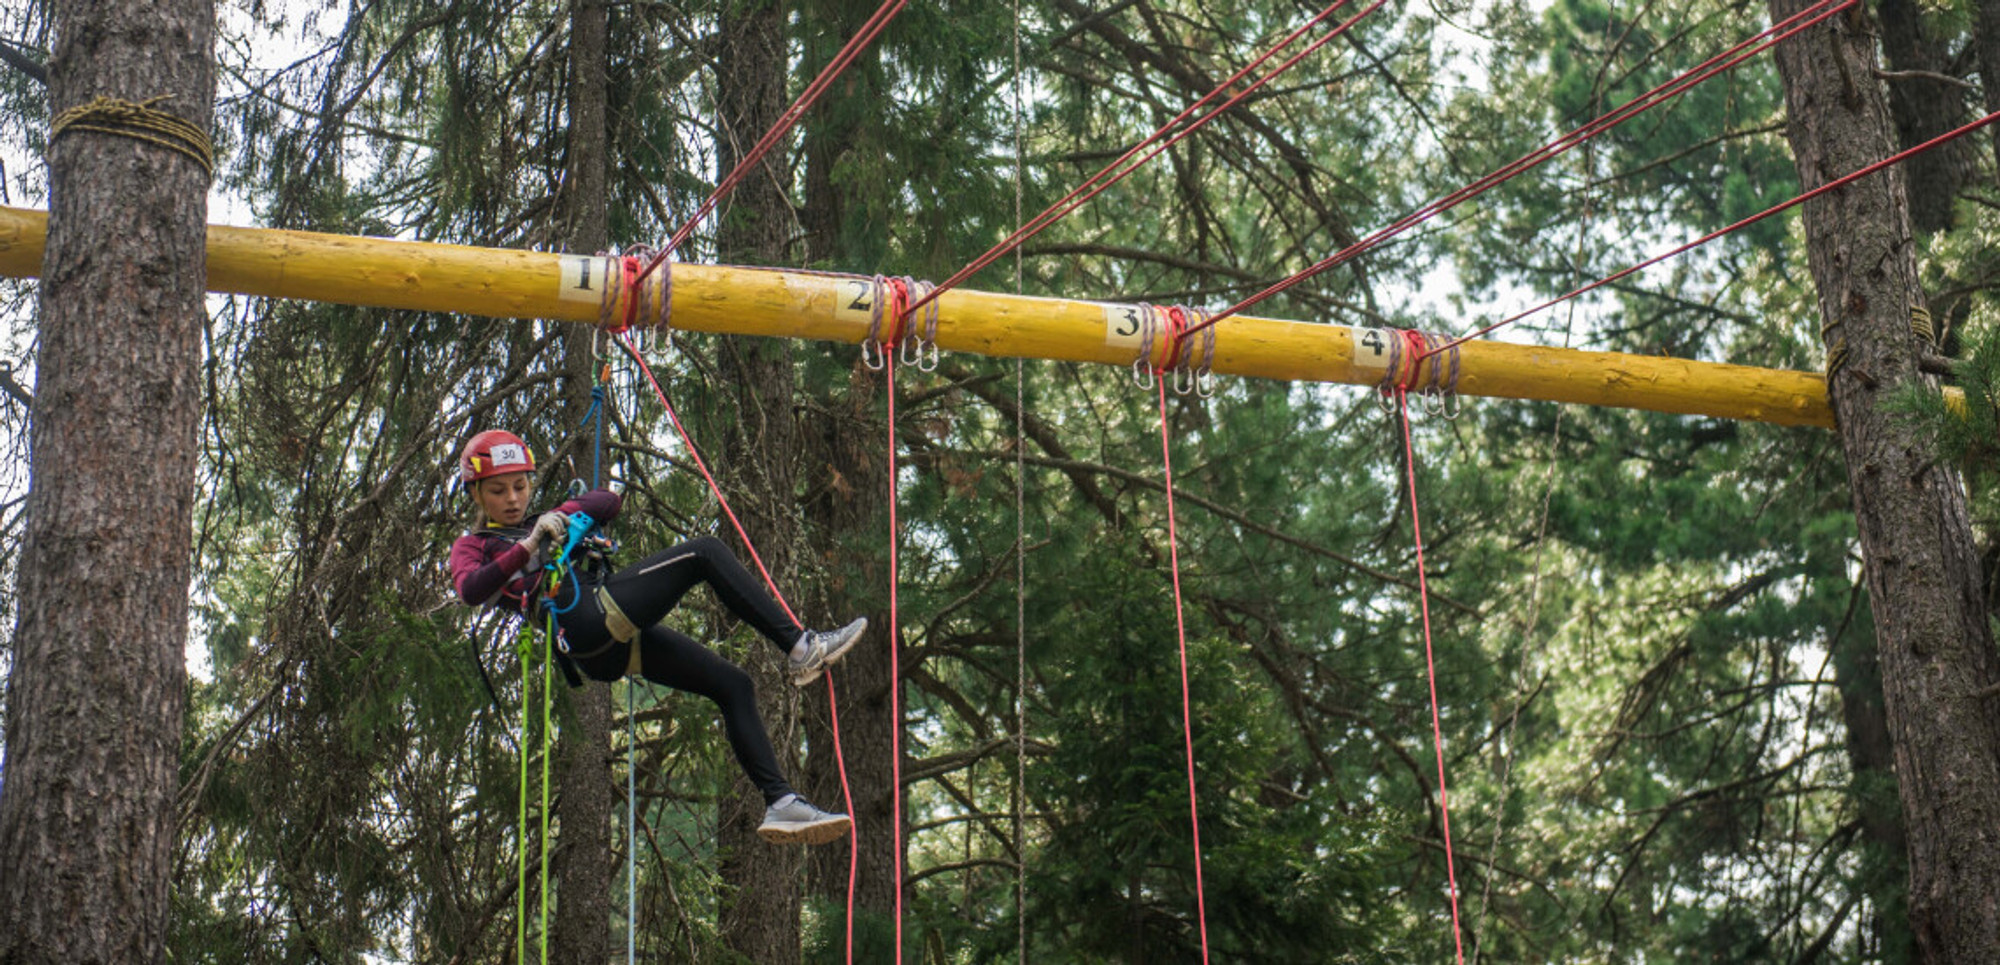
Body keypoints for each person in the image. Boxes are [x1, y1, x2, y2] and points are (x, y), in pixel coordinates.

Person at [449, 429, 865, 845]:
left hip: (606, 646)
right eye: (499, 490)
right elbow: (471, 589)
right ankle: (801, 647)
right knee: (703, 553)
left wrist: (557, 518)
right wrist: (528, 546)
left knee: (734, 685)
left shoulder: (544, 523)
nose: (513, 499)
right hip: (587, 621)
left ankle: (781, 802)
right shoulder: (475, 545)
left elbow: (606, 503)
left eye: (520, 486)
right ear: (477, 495)